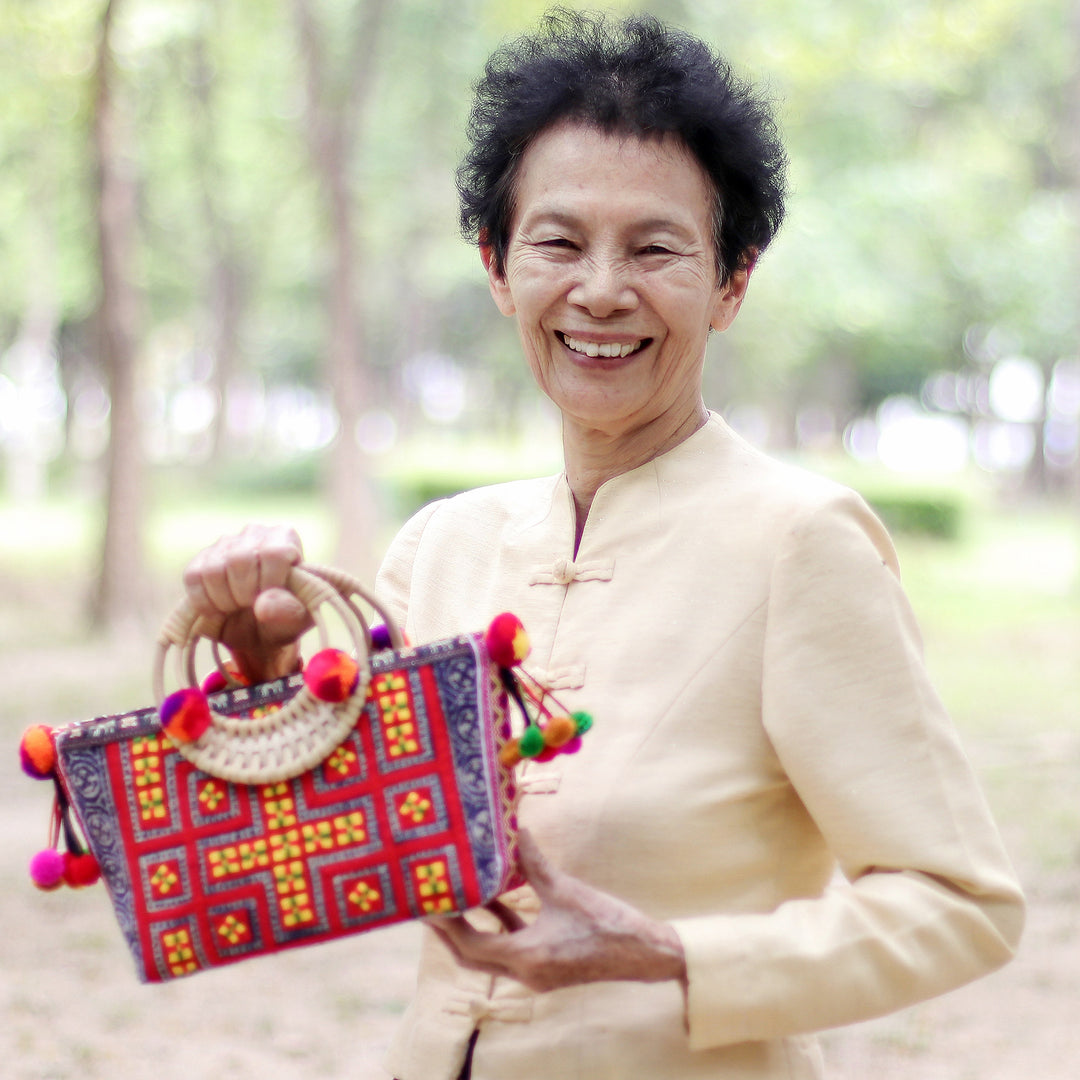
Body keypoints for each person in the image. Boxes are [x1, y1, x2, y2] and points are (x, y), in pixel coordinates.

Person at [183, 10, 1024, 1079]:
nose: (601, 290)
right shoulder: (443, 545)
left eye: (657, 248)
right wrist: (255, 666)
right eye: (558, 241)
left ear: (732, 282)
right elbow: (331, 852)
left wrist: (668, 956)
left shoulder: (799, 543)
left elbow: (961, 905)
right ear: (497, 268)